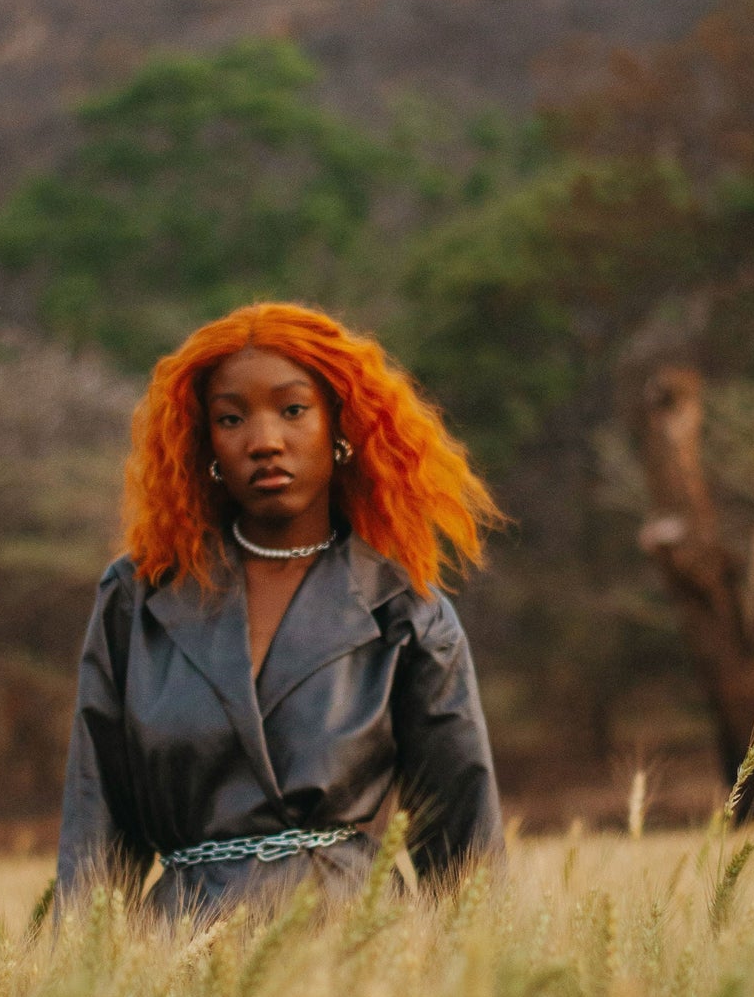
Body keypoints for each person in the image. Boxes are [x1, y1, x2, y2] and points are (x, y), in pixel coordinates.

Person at [56, 302, 504, 919]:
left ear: (340, 427)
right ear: (205, 441)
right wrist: (76, 990)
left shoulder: (407, 615)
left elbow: (464, 849)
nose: (264, 441)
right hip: (176, 956)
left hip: (356, 956)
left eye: (294, 410)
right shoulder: (137, 598)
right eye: (231, 418)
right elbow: (95, 821)